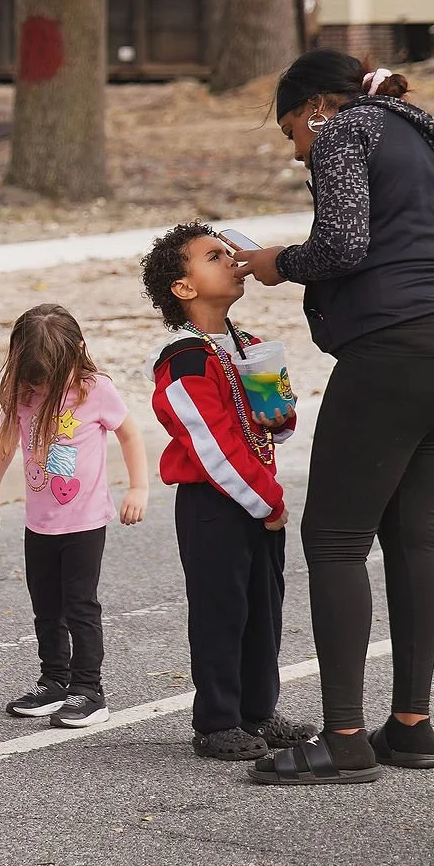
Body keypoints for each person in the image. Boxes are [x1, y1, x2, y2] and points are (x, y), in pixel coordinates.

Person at [234, 51, 434, 785]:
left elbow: (344, 242)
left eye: (292, 129)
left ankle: (345, 736)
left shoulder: (349, 131)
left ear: (317, 106)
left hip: (398, 346)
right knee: (413, 530)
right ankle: (411, 726)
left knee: (334, 536)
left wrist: (276, 261)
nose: (297, 151)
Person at [140, 223, 314, 762]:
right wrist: (268, 501)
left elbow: (276, 424)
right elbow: (209, 442)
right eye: (214, 256)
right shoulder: (184, 358)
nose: (232, 260)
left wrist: (281, 415)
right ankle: (217, 720)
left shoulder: (251, 345)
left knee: (264, 606)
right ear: (184, 288)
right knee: (221, 610)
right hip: (217, 503)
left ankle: (259, 711)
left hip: (260, 498)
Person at [0, 304, 151, 729]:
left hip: (85, 522)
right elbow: (4, 445)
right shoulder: (22, 393)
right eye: (34, 378)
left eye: (48, 379)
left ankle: (88, 689)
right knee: (45, 605)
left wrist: (139, 487)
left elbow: (130, 434)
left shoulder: (95, 389)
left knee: (80, 606)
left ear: (78, 352)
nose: (42, 387)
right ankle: (54, 680)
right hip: (39, 523)